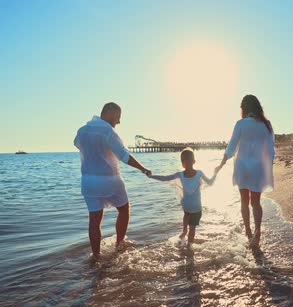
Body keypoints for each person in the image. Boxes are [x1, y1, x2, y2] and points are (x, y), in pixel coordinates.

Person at [74, 102, 151, 258]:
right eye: (118, 117)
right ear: (109, 113)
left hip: (88, 181)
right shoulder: (108, 132)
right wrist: (143, 169)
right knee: (124, 210)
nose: (118, 122)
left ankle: (96, 256)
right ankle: (119, 244)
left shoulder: (81, 131)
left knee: (94, 220)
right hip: (110, 180)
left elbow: (77, 144)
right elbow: (124, 156)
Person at [215, 95, 275, 247]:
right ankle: (258, 232)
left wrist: (221, 163)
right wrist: (268, 167)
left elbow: (231, 146)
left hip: (242, 167)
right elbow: (270, 150)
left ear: (244, 108)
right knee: (256, 202)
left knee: (244, 201)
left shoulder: (240, 124)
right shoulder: (266, 125)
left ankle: (248, 231)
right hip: (258, 168)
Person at [148, 148, 217, 249]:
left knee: (186, 215)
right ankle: (189, 245)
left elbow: (165, 178)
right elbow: (210, 183)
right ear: (194, 161)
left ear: (182, 163)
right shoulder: (199, 173)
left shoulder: (180, 174)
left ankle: (184, 232)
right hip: (196, 207)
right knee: (192, 227)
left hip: (186, 205)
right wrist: (215, 173)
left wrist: (151, 176)